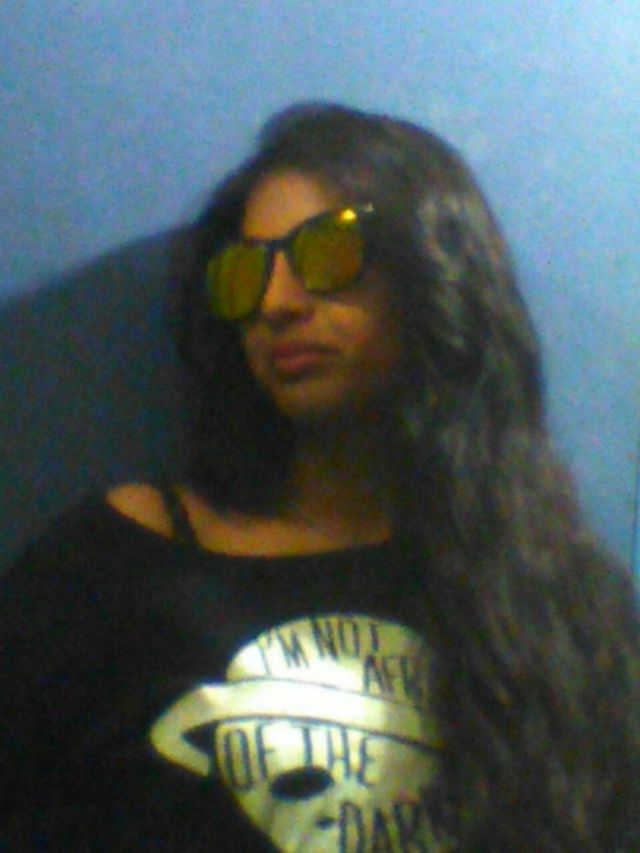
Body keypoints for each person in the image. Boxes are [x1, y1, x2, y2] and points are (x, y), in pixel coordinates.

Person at [1, 102, 638, 852]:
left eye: (328, 252)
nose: (275, 303)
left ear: (432, 270)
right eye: (243, 275)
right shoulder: (119, 568)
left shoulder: (552, 597)